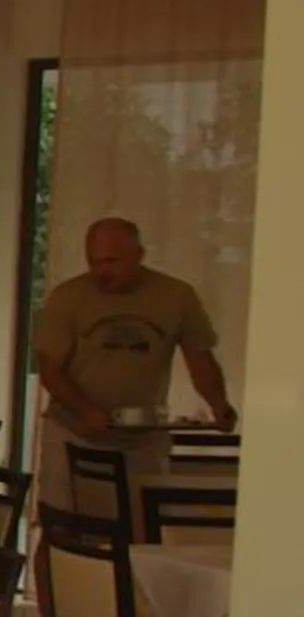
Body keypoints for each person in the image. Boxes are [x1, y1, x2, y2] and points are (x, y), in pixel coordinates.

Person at [31, 216, 236, 512]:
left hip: (143, 438)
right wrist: (85, 410)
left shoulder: (176, 296)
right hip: (73, 433)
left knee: (143, 528)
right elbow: (50, 370)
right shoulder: (68, 297)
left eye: (112, 261)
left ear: (138, 255)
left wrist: (219, 405)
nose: (103, 271)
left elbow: (200, 359)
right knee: (61, 525)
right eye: (95, 262)